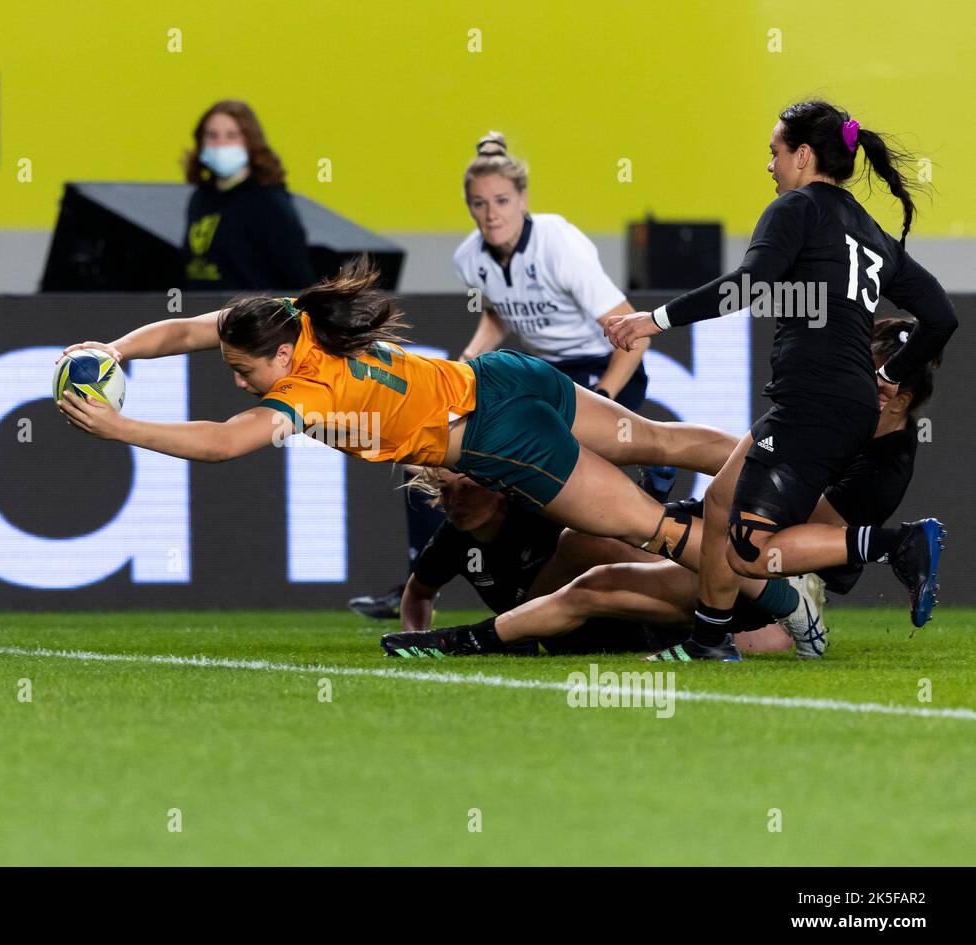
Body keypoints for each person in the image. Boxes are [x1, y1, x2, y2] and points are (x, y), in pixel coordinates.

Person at [57, 257, 738, 564]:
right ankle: (783, 474)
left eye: (243, 372)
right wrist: (116, 349)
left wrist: (118, 426)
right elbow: (182, 332)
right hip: (504, 376)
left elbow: (223, 443)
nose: (240, 384)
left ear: (280, 357)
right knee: (659, 440)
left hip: (497, 433)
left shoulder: (308, 393)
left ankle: (779, 586)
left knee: (658, 534)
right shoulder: (295, 317)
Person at [606, 100, 956, 660]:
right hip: (835, 402)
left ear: (803, 154)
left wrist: (653, 320)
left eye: (774, 152)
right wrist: (888, 374)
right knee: (721, 502)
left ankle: (895, 544)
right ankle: (709, 640)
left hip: (812, 401)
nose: (769, 165)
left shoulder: (797, 208)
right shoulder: (871, 234)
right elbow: (942, 317)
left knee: (748, 551)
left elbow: (746, 285)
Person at [383, 313, 935, 660]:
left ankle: (471, 640)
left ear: (900, 399)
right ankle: (519, 631)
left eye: (875, 378)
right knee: (587, 544)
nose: (859, 384)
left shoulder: (881, 463)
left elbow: (809, 539)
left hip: (760, 568)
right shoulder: (842, 417)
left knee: (596, 584)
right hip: (734, 541)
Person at [347, 131, 674, 620]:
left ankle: (657, 512)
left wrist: (602, 394)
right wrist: (463, 365)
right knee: (426, 455)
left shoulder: (558, 244)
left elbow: (636, 334)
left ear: (523, 200)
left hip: (600, 366)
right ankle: (417, 581)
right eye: (479, 203)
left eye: (501, 201)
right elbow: (501, 312)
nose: (491, 213)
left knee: (584, 480)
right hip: (542, 374)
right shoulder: (469, 258)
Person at [387, 469, 799, 659]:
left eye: (468, 488)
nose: (456, 501)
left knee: (594, 556)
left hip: (609, 615)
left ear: (497, 491)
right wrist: (415, 633)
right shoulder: (451, 540)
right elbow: (418, 593)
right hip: (560, 627)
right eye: (446, 490)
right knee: (592, 568)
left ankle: (742, 614)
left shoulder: (537, 509)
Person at [181, 99, 315, 292]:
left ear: (250, 141)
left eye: (231, 136)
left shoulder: (268, 202)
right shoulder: (200, 199)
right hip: (200, 315)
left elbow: (298, 276)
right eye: (212, 136)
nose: (221, 144)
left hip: (250, 318)